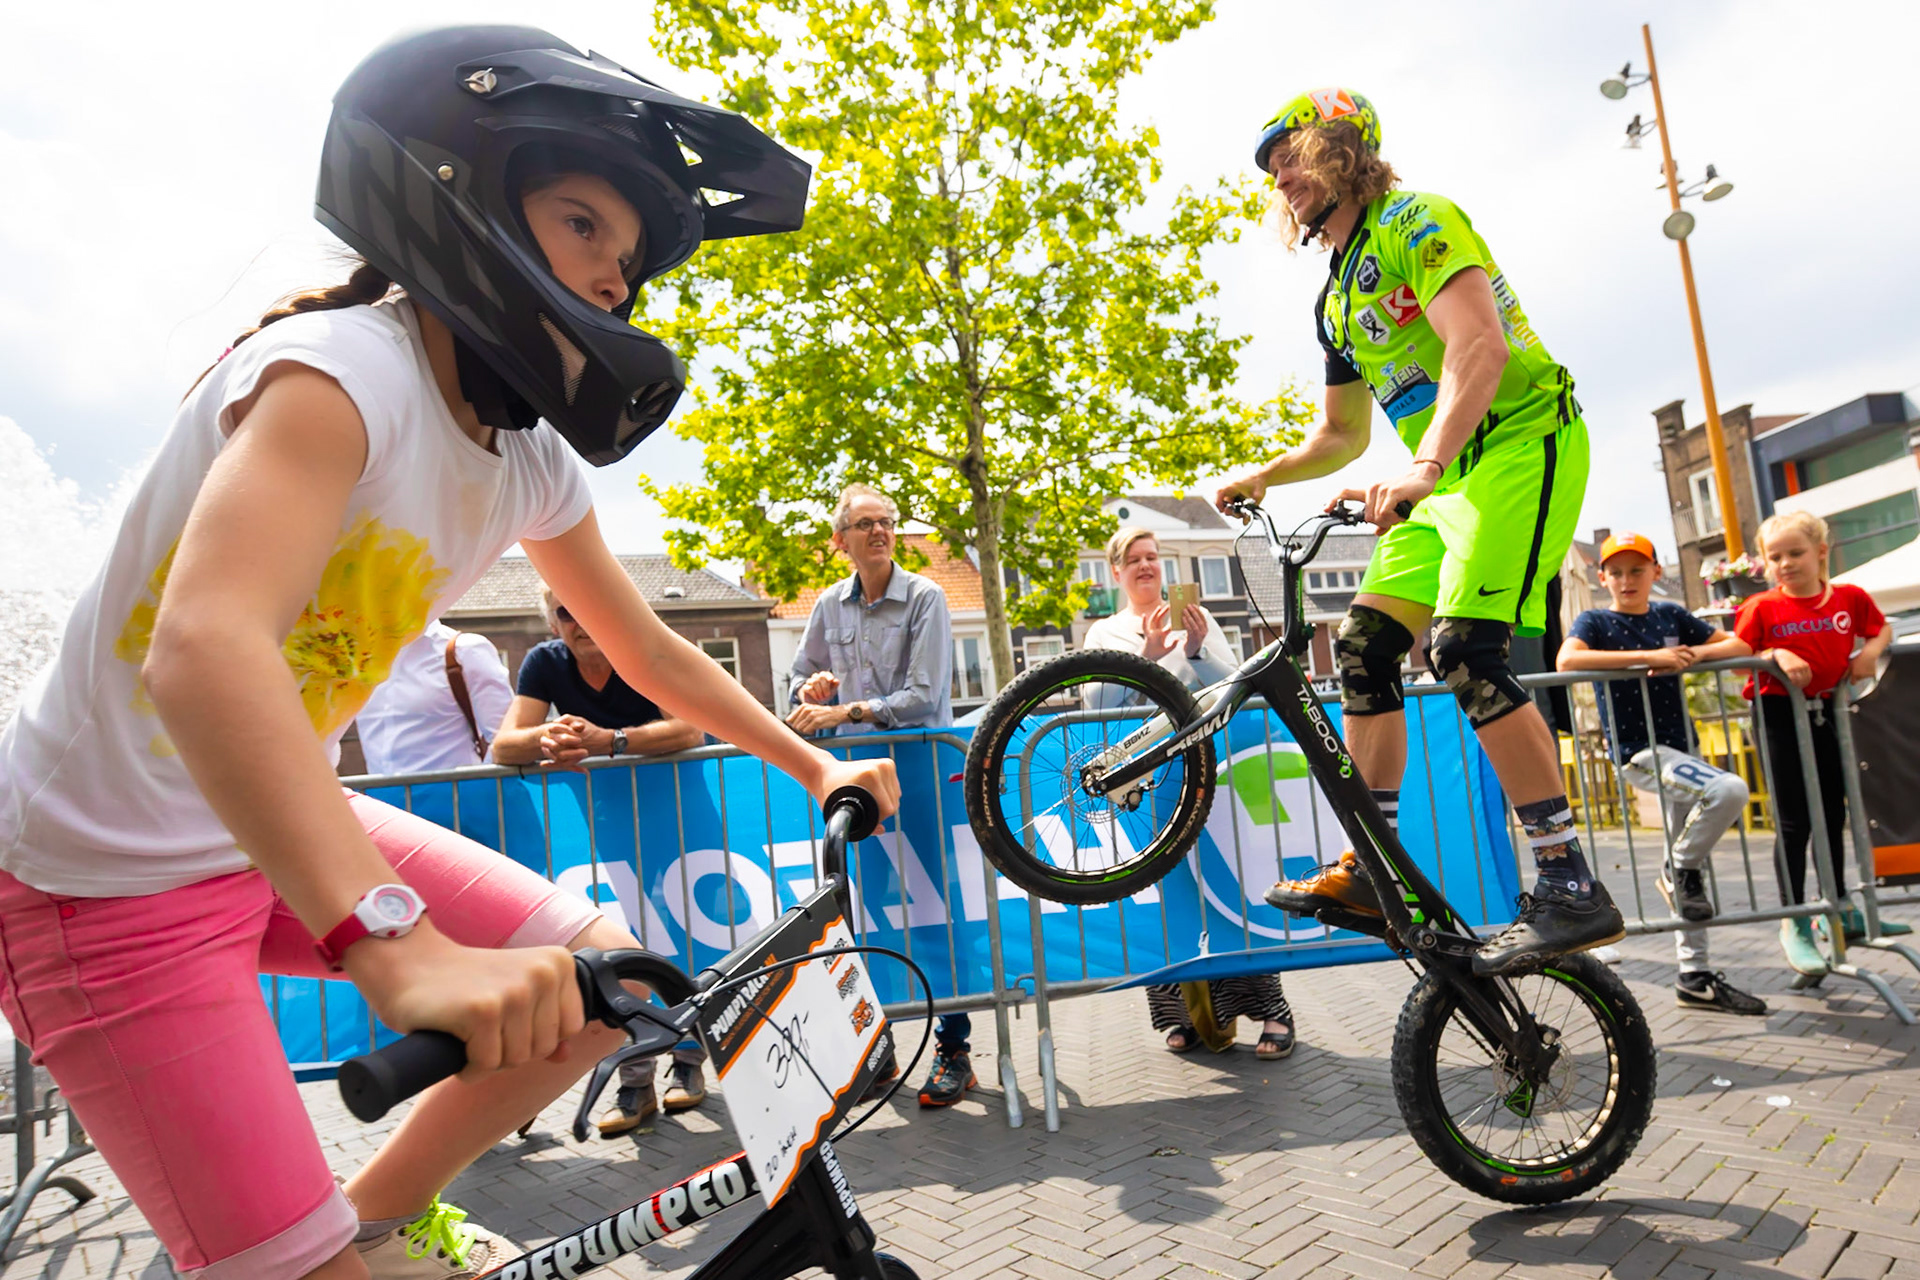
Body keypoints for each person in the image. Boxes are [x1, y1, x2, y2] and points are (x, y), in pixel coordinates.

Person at [0, 26, 899, 1280]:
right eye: (583, 222)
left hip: (252, 827)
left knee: (609, 985)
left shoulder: (525, 451)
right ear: (456, 191)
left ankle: (368, 1211)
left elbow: (644, 645)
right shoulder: (336, 372)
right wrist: (396, 944)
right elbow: (204, 648)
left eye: (629, 258)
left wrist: (812, 763)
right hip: (93, 881)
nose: (613, 276)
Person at [1218, 88, 1624, 976]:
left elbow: (1475, 346)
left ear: (1345, 148)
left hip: (1519, 444)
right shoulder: (1332, 300)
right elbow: (1344, 434)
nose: (1278, 173)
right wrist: (1265, 475)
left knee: (1468, 651)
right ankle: (1373, 867)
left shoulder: (1418, 219)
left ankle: (1566, 878)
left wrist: (1426, 465)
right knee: (1361, 647)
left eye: (1290, 151)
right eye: (1271, 165)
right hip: (1442, 482)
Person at [495, 582, 707, 1133]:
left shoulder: (643, 646)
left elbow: (690, 726)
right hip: (608, 827)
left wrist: (609, 741)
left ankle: (688, 1063)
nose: (578, 619)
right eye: (566, 611)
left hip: (683, 816)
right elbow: (503, 745)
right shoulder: (544, 662)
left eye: (587, 605)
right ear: (554, 622)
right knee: (619, 953)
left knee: (687, 941)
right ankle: (634, 1081)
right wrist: (555, 737)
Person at [1085, 528, 1298, 1058]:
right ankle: (1179, 1016)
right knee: (1169, 897)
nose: (1145, 566)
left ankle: (1270, 1010)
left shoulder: (1198, 620)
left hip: (1208, 775)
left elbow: (1237, 684)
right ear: (1116, 572)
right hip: (1149, 787)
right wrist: (1152, 658)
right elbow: (1098, 703)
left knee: (1230, 886)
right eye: (1132, 560)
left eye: (1152, 557)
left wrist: (1197, 648)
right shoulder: (1104, 633)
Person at [787, 484, 965, 1105]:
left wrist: (845, 712)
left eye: (887, 521)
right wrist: (813, 692)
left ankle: (955, 1047)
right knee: (861, 913)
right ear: (841, 542)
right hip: (856, 780)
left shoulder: (927, 597)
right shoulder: (828, 606)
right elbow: (797, 679)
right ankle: (878, 1046)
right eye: (865, 524)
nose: (881, 531)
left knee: (935, 908)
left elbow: (923, 694)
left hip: (917, 771)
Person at [1556, 533, 1766, 1014]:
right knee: (1728, 789)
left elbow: (1737, 641)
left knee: (1695, 872)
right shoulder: (1597, 619)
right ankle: (1677, 869)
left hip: (1682, 747)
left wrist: (1695, 654)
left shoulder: (1671, 615)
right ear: (1602, 577)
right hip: (1640, 749)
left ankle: (1694, 975)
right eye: (1617, 572)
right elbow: (1567, 660)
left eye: (1637, 570)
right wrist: (1649, 658)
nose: (1627, 580)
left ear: (1654, 571)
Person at [1736, 510, 1897, 976]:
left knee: (1833, 814)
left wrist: (1869, 651)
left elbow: (1880, 628)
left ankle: (1839, 909)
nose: (1785, 563)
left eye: (1795, 553)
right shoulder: (1762, 607)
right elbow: (1736, 653)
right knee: (1794, 821)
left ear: (1821, 553)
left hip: (1827, 710)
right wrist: (1775, 653)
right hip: (1778, 715)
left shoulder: (1849, 597)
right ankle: (1795, 922)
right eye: (1775, 556)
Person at [355, 620, 514, 774]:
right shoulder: (354, 658)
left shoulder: (464, 651)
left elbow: (504, 740)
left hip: (456, 797)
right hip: (377, 797)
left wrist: (476, 789)